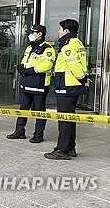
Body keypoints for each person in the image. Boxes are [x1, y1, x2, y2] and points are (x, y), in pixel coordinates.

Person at [45, 19, 90, 160]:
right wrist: (83, 79)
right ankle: (70, 147)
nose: (58, 32)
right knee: (70, 117)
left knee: (64, 119)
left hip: (67, 86)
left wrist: (83, 79)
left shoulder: (68, 45)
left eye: (60, 29)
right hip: (72, 85)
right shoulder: (77, 42)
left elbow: (74, 65)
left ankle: (62, 150)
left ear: (66, 31)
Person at [7, 24, 55, 143]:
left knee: (39, 112)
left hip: (39, 85)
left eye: (33, 32)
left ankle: (38, 135)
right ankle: (19, 131)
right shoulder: (29, 47)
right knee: (23, 109)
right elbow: (25, 61)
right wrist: (21, 67)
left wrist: (30, 70)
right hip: (26, 83)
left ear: (40, 34)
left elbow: (47, 65)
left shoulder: (48, 49)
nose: (30, 35)